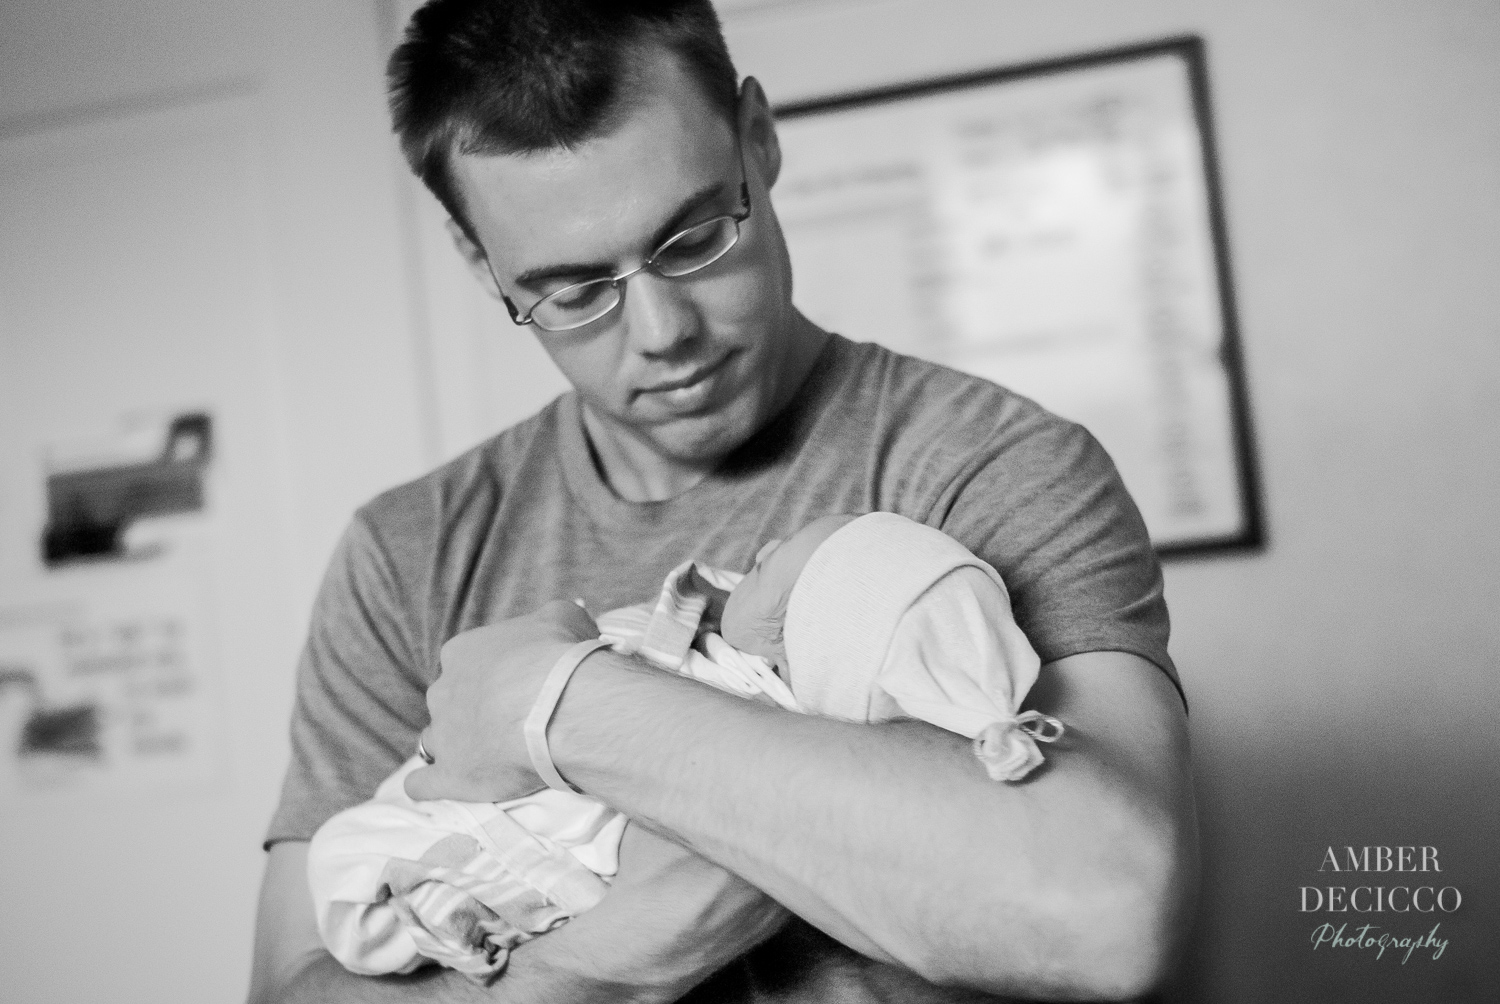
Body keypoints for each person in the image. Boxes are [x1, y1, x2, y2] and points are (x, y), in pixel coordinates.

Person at [247, 1, 1200, 1002]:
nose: (662, 331)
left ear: (758, 137)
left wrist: (559, 703)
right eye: (573, 293)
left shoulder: (991, 464)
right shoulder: (409, 553)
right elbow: (290, 987)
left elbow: (1106, 916)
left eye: (694, 236)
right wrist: (588, 967)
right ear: (481, 261)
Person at [306, 512, 1065, 984]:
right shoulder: (394, 547)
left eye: (773, 565)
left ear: (808, 631)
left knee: (352, 858)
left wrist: (559, 663)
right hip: (470, 811)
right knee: (358, 857)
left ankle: (428, 909)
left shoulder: (753, 699)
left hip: (508, 837)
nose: (761, 546)